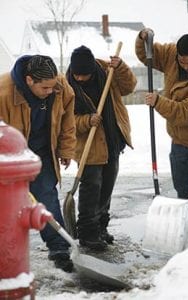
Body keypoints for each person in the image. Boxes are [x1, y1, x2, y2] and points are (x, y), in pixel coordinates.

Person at [0, 54, 76, 272]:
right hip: (10, 157)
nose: (51, 91)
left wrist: (66, 149)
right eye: (45, 88)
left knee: (47, 197)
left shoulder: (61, 87)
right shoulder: (3, 92)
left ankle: (60, 249)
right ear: (29, 80)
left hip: (43, 153)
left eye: (53, 86)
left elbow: (68, 121)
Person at [66, 45, 137, 250]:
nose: (79, 79)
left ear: (91, 69)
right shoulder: (66, 86)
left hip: (113, 140)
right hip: (88, 146)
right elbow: (67, 120)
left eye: (84, 75)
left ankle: (101, 228)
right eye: (76, 75)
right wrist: (87, 120)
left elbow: (129, 87)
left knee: (106, 187)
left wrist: (121, 67)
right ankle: (88, 233)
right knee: (91, 189)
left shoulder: (107, 71)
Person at [135, 29, 188, 199]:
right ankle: (186, 223)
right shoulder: (171, 55)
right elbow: (146, 55)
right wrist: (143, 38)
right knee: (182, 190)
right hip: (177, 141)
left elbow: (185, 113)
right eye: (182, 61)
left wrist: (158, 102)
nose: (186, 66)